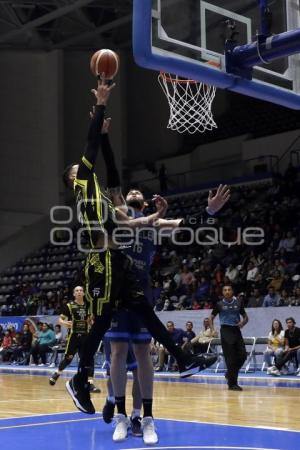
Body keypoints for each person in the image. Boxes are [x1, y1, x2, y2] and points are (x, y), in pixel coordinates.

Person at [63, 77, 218, 416]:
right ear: (74, 179)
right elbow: (97, 153)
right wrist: (101, 110)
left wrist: (169, 217)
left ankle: (183, 359)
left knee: (146, 316)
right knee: (104, 325)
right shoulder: (89, 189)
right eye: (77, 171)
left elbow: (129, 221)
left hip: (123, 266)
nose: (83, 169)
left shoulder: (108, 200)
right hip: (102, 261)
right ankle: (83, 380)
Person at [49, 286, 100, 393]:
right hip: (74, 336)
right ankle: (57, 373)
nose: (79, 292)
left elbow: (91, 321)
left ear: (84, 293)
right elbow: (60, 320)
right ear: (74, 294)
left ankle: (90, 384)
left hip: (86, 336)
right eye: (77, 290)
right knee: (68, 359)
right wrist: (64, 323)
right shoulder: (69, 306)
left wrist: (92, 323)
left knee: (89, 359)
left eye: (81, 290)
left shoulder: (88, 306)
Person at [209, 285, 248, 391]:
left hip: (236, 330)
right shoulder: (219, 304)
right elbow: (211, 317)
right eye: (225, 290)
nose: (227, 292)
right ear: (222, 292)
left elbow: (245, 317)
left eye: (229, 290)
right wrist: (212, 330)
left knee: (243, 355)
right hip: (225, 331)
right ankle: (232, 384)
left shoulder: (239, 303)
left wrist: (242, 323)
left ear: (232, 291)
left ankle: (229, 374)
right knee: (230, 359)